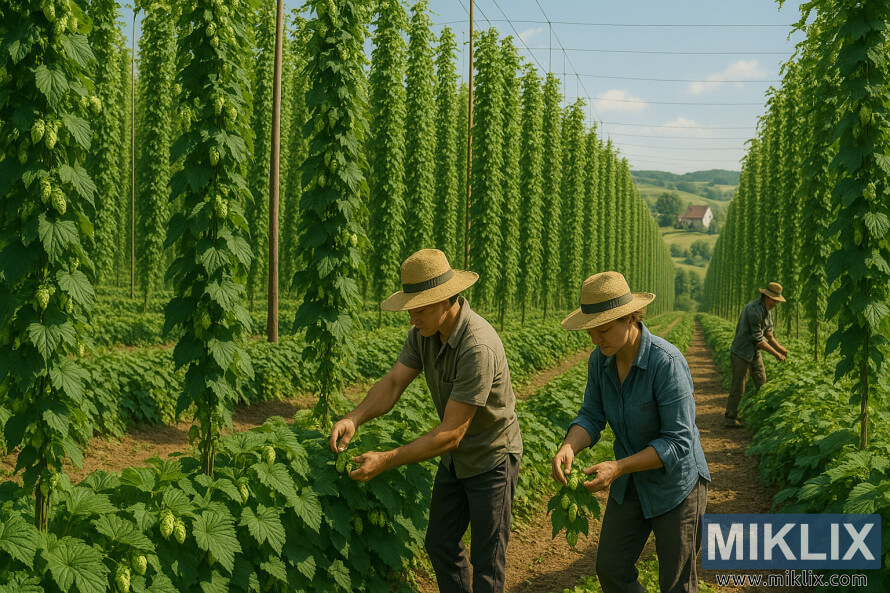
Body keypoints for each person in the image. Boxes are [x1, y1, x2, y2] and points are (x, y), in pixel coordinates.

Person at [329, 248, 523, 593]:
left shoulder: (477, 346)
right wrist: (354, 417)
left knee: (487, 561)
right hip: (455, 459)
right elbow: (393, 383)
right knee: (440, 543)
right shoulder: (422, 334)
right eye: (410, 309)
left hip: (491, 458)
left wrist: (386, 460)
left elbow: (451, 433)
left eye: (419, 310)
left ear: (446, 299)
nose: (412, 319)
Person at [551, 271, 710, 593]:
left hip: (676, 486)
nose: (596, 339)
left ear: (630, 318)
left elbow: (678, 441)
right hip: (631, 483)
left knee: (677, 583)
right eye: (591, 332)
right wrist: (569, 446)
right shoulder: (600, 361)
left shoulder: (666, 362)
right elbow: (592, 414)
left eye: (603, 330)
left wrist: (619, 467)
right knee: (611, 567)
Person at [723, 282, 789, 428]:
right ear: (768, 298)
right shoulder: (753, 310)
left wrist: (781, 348)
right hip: (741, 352)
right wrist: (776, 354)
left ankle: (763, 417)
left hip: (754, 352)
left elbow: (769, 334)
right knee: (739, 386)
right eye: (775, 301)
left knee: (762, 382)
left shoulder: (767, 311)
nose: (776, 304)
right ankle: (730, 417)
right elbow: (759, 340)